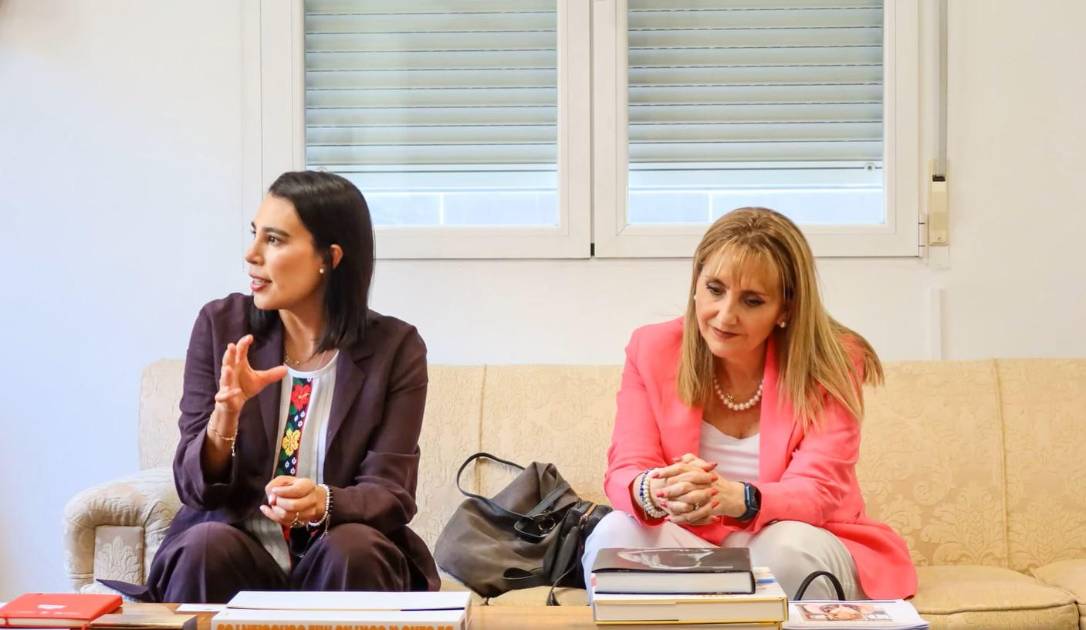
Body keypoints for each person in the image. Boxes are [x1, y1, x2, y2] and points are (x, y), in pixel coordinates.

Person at [103, 171, 439, 602]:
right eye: (254, 234)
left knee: (355, 548)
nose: (251, 254)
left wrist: (324, 502)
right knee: (205, 546)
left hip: (338, 558)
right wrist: (225, 417)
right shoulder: (221, 326)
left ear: (330, 257)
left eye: (274, 240)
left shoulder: (395, 348)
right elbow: (193, 488)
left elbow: (390, 493)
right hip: (234, 552)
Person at [581, 208, 916, 600]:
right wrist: (656, 491)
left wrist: (739, 499)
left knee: (786, 550)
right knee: (614, 535)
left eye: (752, 301)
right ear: (696, 283)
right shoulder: (652, 348)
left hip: (800, 540)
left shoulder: (832, 360)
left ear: (785, 309)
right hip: (690, 542)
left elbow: (818, 490)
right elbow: (626, 467)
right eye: (715, 289)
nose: (725, 316)